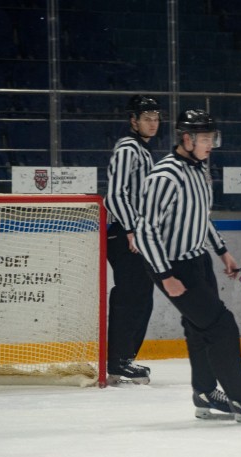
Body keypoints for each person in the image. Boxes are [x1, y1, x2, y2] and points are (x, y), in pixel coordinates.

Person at [135, 109, 241, 424]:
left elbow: (199, 217)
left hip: (197, 259)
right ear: (187, 139)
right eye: (205, 139)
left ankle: (204, 393)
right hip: (172, 266)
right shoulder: (164, 176)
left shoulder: (199, 169)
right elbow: (145, 230)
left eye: (212, 138)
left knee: (199, 328)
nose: (211, 144)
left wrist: (222, 252)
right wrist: (165, 275)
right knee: (222, 325)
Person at [104, 94, 160, 385]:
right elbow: (114, 195)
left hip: (136, 233)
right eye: (146, 118)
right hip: (124, 235)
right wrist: (130, 229)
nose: (152, 123)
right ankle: (117, 361)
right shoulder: (128, 149)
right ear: (133, 121)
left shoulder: (142, 151)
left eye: (155, 118)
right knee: (131, 296)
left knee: (141, 297)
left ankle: (122, 359)